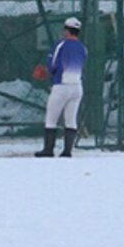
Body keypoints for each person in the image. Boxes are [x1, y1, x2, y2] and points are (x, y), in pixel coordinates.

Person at [35, 17, 88, 157]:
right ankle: (67, 151)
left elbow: (52, 65)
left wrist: (48, 72)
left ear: (67, 30)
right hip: (77, 86)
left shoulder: (60, 45)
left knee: (51, 118)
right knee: (71, 119)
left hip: (62, 85)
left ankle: (48, 149)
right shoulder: (83, 47)